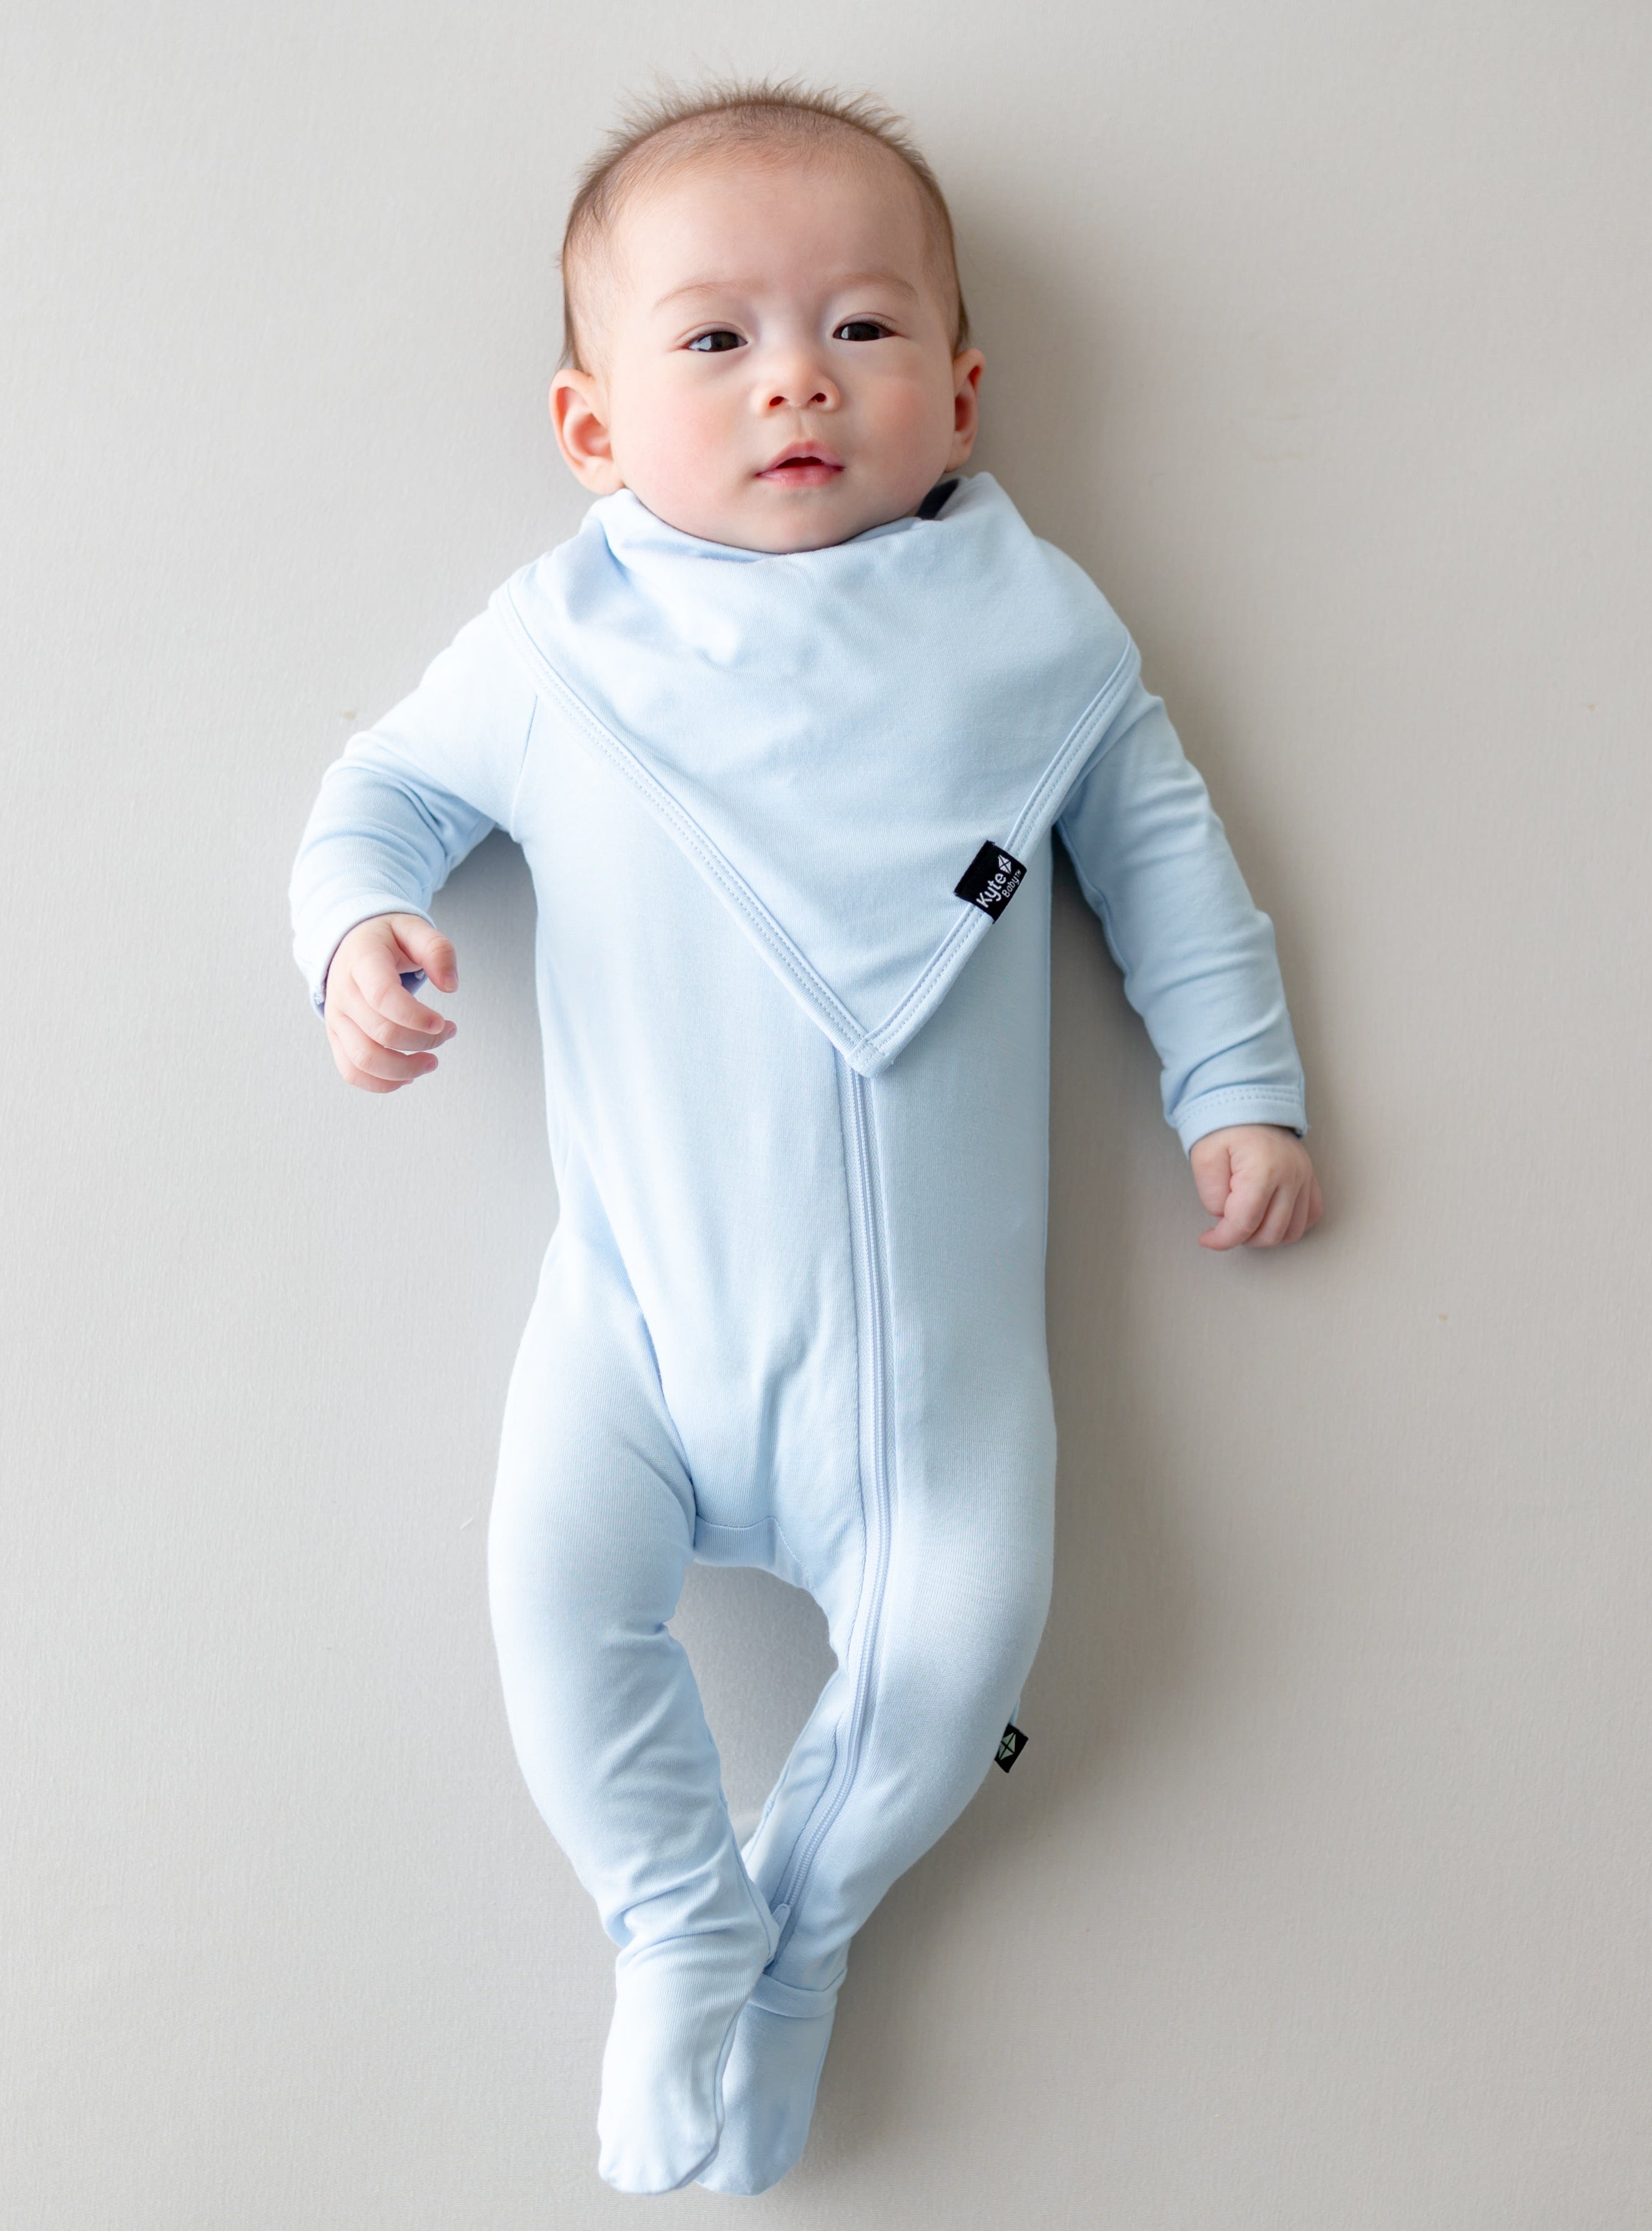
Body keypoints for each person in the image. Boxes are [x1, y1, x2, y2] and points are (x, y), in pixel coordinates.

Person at [287, 79, 1322, 2197]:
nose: (796, 385)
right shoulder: (561, 655)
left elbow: (1179, 880)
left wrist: (1241, 1087)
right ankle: (675, 1912)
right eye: (716, 339)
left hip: (934, 1388)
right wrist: (354, 934)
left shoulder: (1042, 652)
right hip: (641, 1330)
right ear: (590, 430)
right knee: (549, 1608)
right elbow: (378, 797)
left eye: (860, 331)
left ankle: (797, 1922)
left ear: (959, 392)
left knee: (962, 1661)